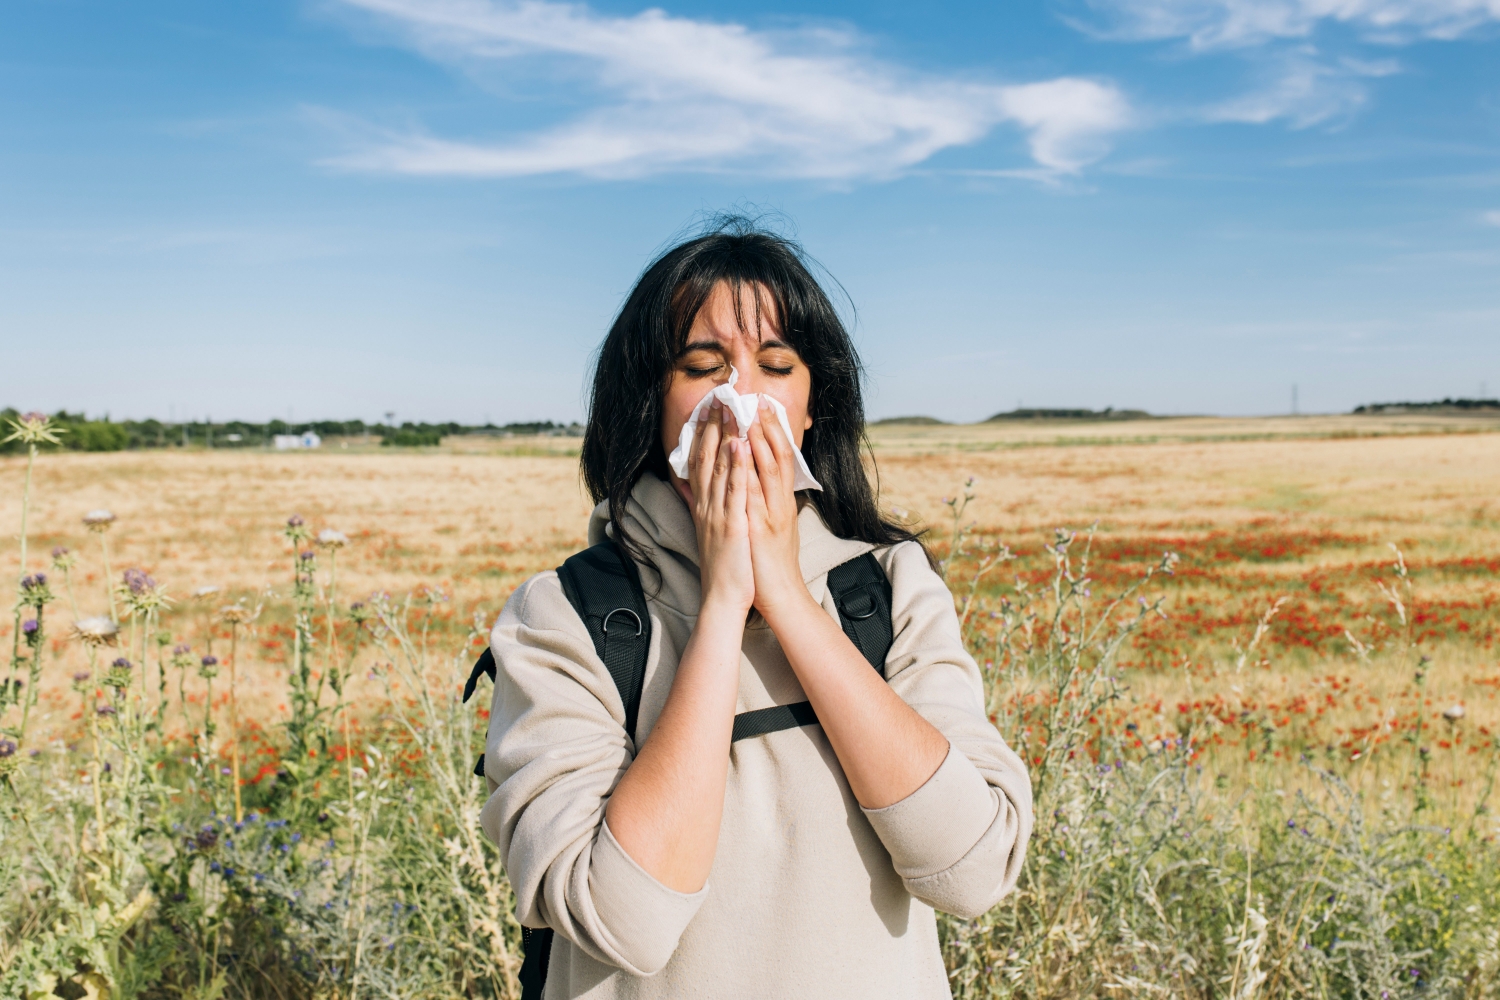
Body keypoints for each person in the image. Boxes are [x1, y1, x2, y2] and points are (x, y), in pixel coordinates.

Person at [480, 218, 1033, 999]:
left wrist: (788, 597)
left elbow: (973, 871)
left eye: (775, 366)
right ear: (649, 404)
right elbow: (622, 920)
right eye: (703, 367)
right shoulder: (566, 615)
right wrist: (723, 602)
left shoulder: (888, 587)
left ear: (811, 409)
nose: (740, 398)